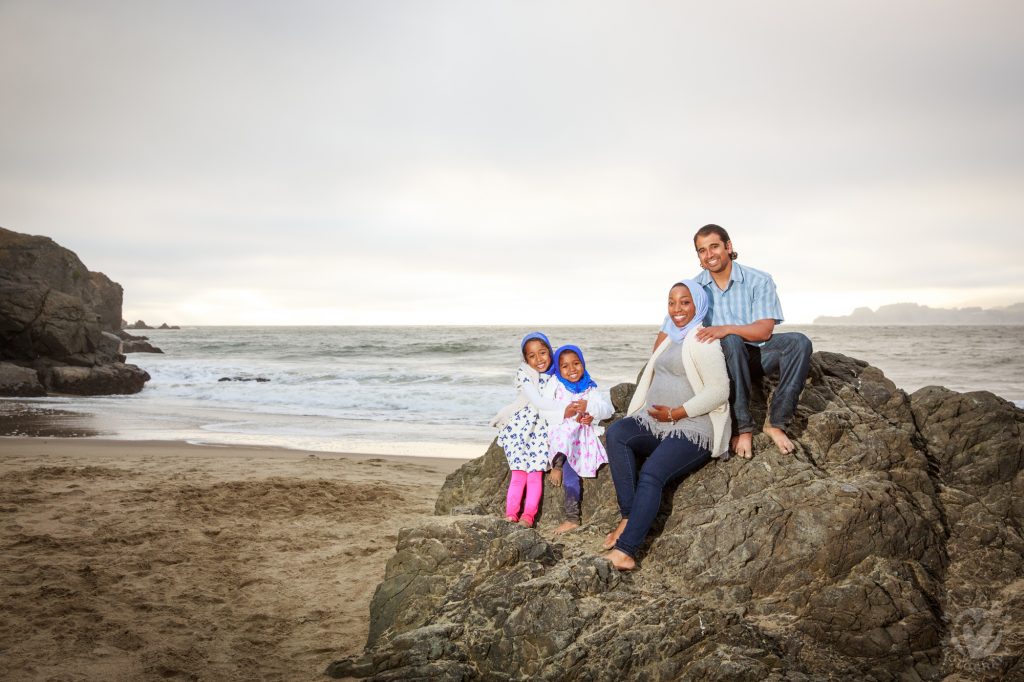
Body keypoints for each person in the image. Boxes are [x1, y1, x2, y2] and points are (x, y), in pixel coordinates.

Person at [655, 224, 812, 459]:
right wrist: (659, 368)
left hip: (757, 355)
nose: (709, 255)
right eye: (702, 250)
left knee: (799, 342)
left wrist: (726, 328)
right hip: (721, 365)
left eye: (714, 246)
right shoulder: (694, 289)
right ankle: (742, 428)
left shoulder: (758, 280)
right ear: (698, 256)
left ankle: (776, 423)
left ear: (728, 247)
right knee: (730, 341)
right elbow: (668, 332)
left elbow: (764, 331)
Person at [603, 280, 730, 571]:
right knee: (617, 433)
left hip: (693, 427)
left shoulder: (703, 340)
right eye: (672, 302)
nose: (677, 309)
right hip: (656, 423)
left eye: (685, 302)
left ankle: (626, 551)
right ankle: (628, 516)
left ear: (698, 304)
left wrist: (676, 413)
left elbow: (719, 391)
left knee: (651, 473)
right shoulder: (672, 337)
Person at [491, 332, 581, 528]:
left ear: (550, 351)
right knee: (518, 474)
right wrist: (563, 409)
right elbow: (538, 401)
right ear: (525, 359)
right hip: (521, 429)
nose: (539, 359)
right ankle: (510, 514)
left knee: (535, 475)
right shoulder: (524, 374)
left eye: (542, 352)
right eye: (532, 356)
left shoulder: (557, 374)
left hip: (542, 430)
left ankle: (528, 517)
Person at [544, 344, 612, 534]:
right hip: (561, 431)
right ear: (558, 369)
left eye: (576, 363)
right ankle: (557, 464)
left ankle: (572, 518)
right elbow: (545, 409)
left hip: (580, 435)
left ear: (583, 363)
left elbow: (608, 410)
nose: (572, 369)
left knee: (571, 471)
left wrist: (590, 410)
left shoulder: (590, 387)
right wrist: (563, 412)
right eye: (565, 366)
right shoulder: (555, 385)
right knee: (565, 435)